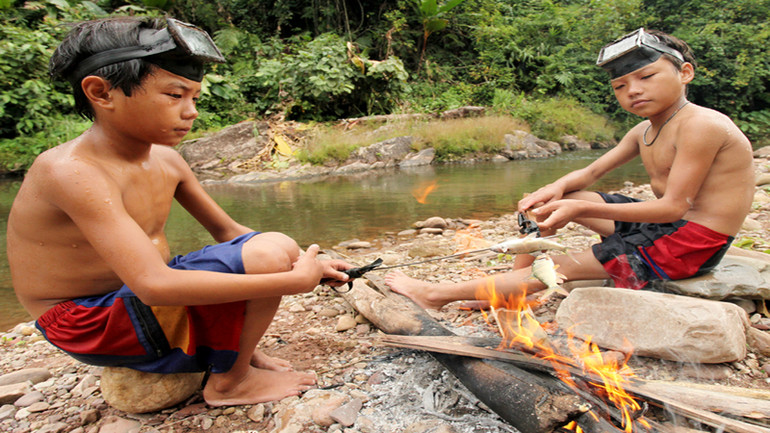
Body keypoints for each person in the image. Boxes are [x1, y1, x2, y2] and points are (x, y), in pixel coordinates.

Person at [6, 16, 354, 407]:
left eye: (194, 98)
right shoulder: (72, 171)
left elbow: (230, 233)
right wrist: (290, 281)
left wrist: (308, 262)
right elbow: (153, 285)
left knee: (274, 248)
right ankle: (230, 383)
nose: (191, 112)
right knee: (269, 254)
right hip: (86, 322)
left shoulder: (168, 161)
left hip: (135, 300)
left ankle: (232, 354)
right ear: (101, 93)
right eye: (175, 96)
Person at [386, 28, 754, 310]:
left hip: (692, 244)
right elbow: (589, 175)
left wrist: (580, 209)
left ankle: (435, 294)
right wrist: (552, 191)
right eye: (620, 85)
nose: (633, 91)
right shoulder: (644, 129)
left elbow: (674, 207)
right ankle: (512, 288)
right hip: (666, 226)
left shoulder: (702, 125)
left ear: (685, 73)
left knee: (558, 266)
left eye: (647, 76)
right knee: (547, 204)